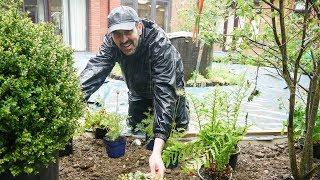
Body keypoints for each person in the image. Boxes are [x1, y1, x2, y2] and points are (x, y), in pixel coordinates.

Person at [80, 6, 189, 178]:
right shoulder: (111, 43)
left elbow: (165, 92)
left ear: (139, 27)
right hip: (138, 88)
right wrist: (71, 100)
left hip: (168, 84)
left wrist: (157, 150)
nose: (123, 40)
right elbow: (96, 69)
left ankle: (162, 158)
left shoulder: (158, 43)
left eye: (128, 31)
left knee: (174, 127)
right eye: (117, 34)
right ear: (110, 35)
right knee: (138, 128)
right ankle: (149, 152)